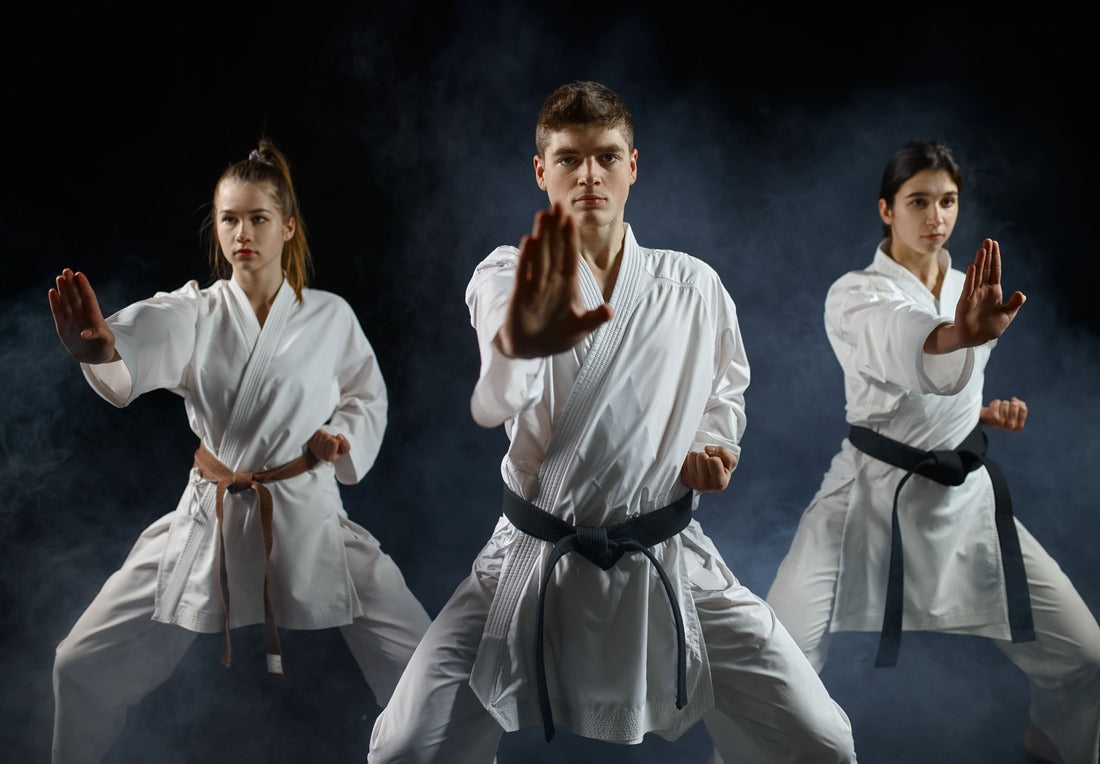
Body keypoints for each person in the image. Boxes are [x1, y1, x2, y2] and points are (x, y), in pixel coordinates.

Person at [368, 80, 855, 764]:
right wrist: (524, 341)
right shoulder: (508, 274)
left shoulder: (694, 287)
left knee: (823, 740)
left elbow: (724, 393)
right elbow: (500, 384)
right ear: (541, 172)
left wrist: (710, 448)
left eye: (605, 155)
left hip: (665, 555)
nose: (589, 173)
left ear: (633, 165)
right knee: (405, 747)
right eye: (569, 158)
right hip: (531, 556)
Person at [48, 140, 432, 764]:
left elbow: (367, 396)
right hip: (212, 519)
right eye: (229, 219)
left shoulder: (329, 316)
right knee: (79, 664)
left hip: (306, 515)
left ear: (287, 227)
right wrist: (102, 348)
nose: (242, 232)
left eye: (257, 218)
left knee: (428, 668)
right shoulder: (196, 311)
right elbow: (141, 336)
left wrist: (343, 440)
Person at [765, 138, 1100, 764]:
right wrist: (956, 336)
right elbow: (900, 347)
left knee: (1087, 658)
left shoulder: (968, 288)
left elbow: (937, 394)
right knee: (774, 660)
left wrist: (978, 411)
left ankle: (1057, 743)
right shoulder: (856, 293)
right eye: (918, 201)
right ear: (886, 209)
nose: (936, 217)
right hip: (868, 497)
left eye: (948, 201)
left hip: (964, 501)